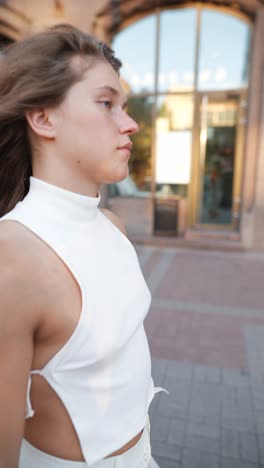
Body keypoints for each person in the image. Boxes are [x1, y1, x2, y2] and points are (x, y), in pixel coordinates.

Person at [0, 24, 166, 468]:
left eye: (124, 107)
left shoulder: (112, 225)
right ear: (43, 118)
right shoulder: (12, 257)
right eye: (106, 103)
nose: (130, 124)